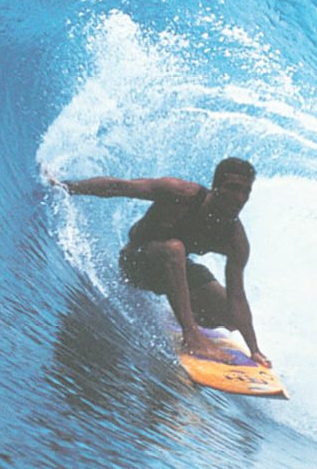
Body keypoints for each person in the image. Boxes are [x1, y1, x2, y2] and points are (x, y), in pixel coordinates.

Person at [44, 157, 270, 367]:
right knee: (175, 249)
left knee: (232, 317)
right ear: (216, 186)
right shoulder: (181, 194)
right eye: (233, 188)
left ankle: (182, 315)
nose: (239, 198)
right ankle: (191, 334)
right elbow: (118, 186)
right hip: (138, 263)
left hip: (177, 270)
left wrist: (255, 349)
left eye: (245, 191)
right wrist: (66, 187)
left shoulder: (234, 240)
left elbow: (237, 296)